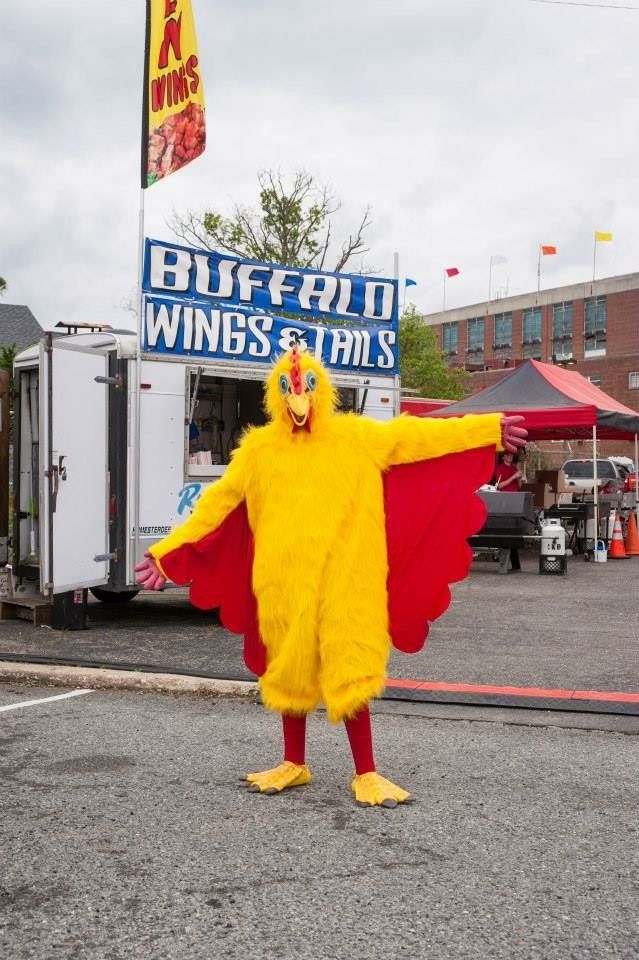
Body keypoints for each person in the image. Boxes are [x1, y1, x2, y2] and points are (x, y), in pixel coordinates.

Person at [135, 347, 527, 807]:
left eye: (306, 388)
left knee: (351, 663)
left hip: (349, 579)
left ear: (322, 392)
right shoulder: (257, 452)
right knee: (290, 667)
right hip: (283, 582)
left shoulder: (354, 437)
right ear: (275, 395)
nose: (298, 400)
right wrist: (166, 552)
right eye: (288, 389)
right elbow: (215, 506)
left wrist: (484, 429)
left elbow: (415, 436)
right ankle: (293, 762)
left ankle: (367, 772)